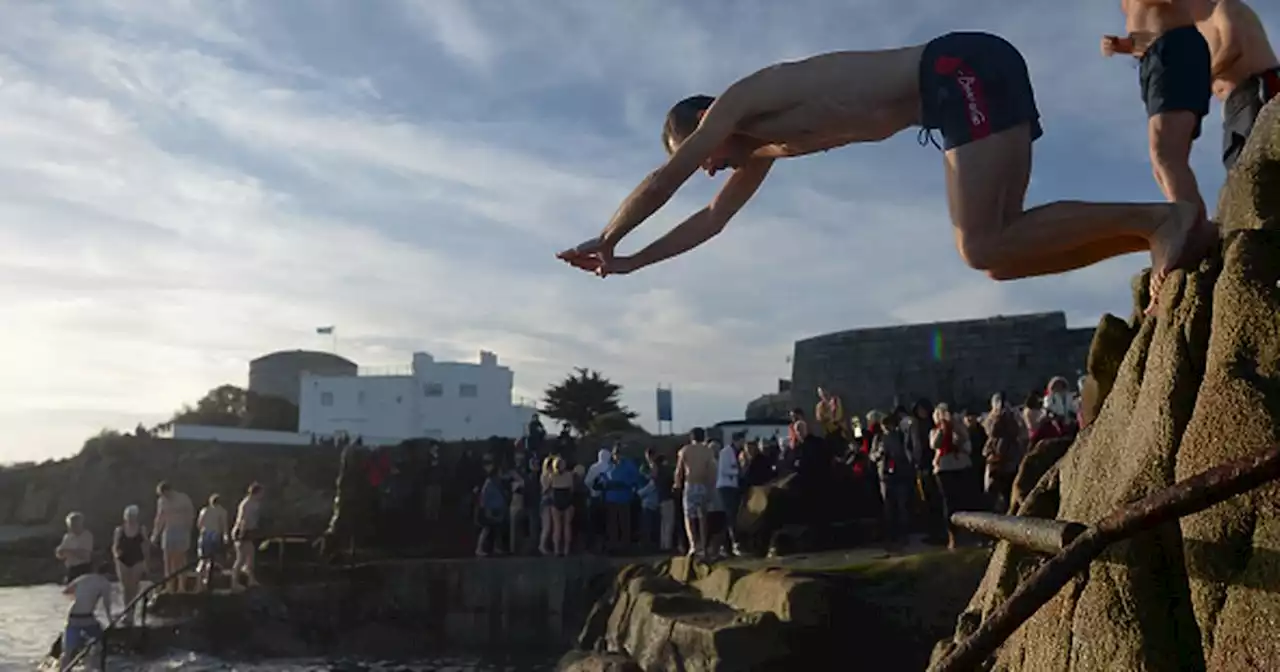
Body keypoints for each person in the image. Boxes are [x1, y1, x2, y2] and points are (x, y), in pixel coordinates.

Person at [558, 32, 1212, 314]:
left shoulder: (743, 100)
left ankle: (1161, 219)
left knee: (979, 243)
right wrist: (633, 264)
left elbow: (666, 180)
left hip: (958, 72)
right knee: (1001, 256)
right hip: (971, 80)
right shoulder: (761, 151)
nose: (707, 166)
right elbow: (711, 219)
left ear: (705, 119)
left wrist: (607, 235)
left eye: (700, 147)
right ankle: (1161, 240)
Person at [1103, 0, 1214, 233]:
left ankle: (1193, 231)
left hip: (1175, 47)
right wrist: (1122, 45)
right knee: (1161, 160)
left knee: (1165, 152)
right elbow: (1149, 33)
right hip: (1153, 59)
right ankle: (1191, 226)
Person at [1192, 0, 1280, 168]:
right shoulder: (1195, 32)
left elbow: (1233, 48)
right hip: (1233, 107)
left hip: (1258, 91)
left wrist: (1201, 79)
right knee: (1241, 167)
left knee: (1261, 161)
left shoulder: (1224, 7)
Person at [931, 404, 975, 550]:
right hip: (944, 468)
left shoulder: (959, 428)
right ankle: (952, 535)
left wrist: (956, 427)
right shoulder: (935, 431)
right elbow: (935, 444)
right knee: (949, 502)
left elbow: (965, 442)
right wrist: (943, 429)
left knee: (964, 499)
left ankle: (967, 532)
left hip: (960, 466)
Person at [59, 561, 114, 671]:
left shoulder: (83, 578)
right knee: (98, 643)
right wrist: (111, 621)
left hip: (73, 615)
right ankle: (93, 666)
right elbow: (107, 604)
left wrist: (77, 597)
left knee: (68, 651)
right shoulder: (105, 583)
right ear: (109, 574)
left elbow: (65, 591)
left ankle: (63, 669)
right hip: (87, 617)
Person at [675, 427, 718, 557]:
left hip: (690, 483)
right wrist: (712, 486)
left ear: (691, 437)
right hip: (704, 484)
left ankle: (694, 545)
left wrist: (677, 484)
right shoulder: (708, 451)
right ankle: (703, 546)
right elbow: (712, 470)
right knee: (703, 516)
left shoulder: (685, 450)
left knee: (689, 516)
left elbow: (679, 470)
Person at [152, 481, 194, 593]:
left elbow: (190, 514)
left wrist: (188, 529)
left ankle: (181, 586)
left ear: (168, 490)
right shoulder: (162, 501)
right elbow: (159, 518)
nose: (164, 497)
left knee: (180, 560)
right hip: (168, 530)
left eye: (164, 494)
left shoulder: (183, 498)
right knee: (168, 560)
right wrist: (155, 534)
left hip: (181, 530)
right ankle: (169, 586)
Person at [112, 506, 149, 624]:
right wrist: (116, 557)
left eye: (133, 516)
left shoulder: (141, 529)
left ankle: (131, 613)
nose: (130, 518)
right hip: (122, 560)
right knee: (125, 588)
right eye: (128, 516)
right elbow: (115, 546)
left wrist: (146, 562)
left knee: (134, 587)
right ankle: (126, 611)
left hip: (137, 559)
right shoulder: (119, 530)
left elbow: (145, 546)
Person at [230, 483, 264, 591]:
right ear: (256, 492)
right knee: (241, 558)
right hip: (242, 531)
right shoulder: (247, 504)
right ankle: (234, 583)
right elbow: (243, 520)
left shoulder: (255, 503)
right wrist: (241, 535)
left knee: (250, 556)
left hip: (250, 531)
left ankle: (251, 580)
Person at [715, 436, 744, 557]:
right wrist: (738, 471)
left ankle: (726, 546)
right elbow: (724, 470)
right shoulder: (725, 452)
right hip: (726, 487)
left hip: (733, 486)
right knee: (730, 515)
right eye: (741, 441)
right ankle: (732, 544)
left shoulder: (738, 452)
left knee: (732, 515)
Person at [196, 494, 229, 591]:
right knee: (211, 560)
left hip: (204, 534)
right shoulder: (222, 511)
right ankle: (207, 581)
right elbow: (224, 525)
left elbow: (199, 524)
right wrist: (225, 536)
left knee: (202, 560)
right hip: (215, 535)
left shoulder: (204, 510)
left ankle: (199, 584)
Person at [547, 456, 577, 556]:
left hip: (556, 499)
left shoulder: (551, 476)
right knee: (567, 525)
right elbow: (572, 489)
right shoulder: (569, 475)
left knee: (557, 526)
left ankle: (556, 550)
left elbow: (547, 489)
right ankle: (566, 550)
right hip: (566, 498)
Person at [55, 512, 94, 585]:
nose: (72, 527)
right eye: (71, 525)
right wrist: (60, 552)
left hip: (83, 568)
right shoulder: (68, 537)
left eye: (74, 525)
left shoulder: (87, 536)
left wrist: (69, 552)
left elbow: (85, 555)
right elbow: (61, 554)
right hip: (70, 569)